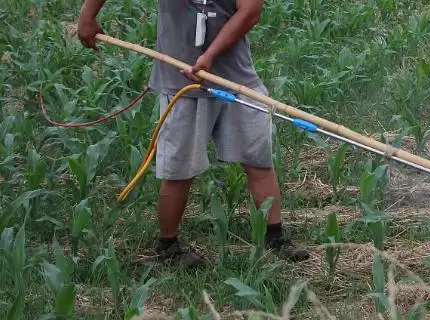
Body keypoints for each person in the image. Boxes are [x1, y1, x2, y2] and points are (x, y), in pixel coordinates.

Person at [77, 0, 309, 268]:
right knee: (179, 169)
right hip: (181, 83)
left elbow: (250, 12)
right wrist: (88, 14)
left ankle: (274, 236)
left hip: (238, 81)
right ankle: (168, 246)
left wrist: (210, 56)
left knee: (259, 160)